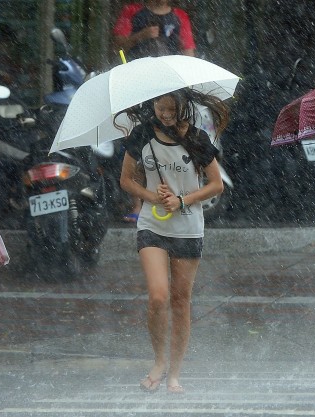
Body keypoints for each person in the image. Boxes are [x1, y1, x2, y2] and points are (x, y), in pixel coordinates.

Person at [116, 88, 229, 393]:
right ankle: (158, 361)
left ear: (182, 107)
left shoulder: (196, 138)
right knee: (158, 296)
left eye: (170, 109)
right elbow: (126, 180)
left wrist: (183, 200)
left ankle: (175, 372)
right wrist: (151, 196)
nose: (164, 115)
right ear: (152, 104)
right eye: (159, 108)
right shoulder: (141, 135)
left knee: (181, 301)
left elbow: (216, 185)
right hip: (152, 224)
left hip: (188, 225)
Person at [113, 0, 196, 222]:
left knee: (168, 145)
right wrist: (140, 37)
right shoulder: (132, 12)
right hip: (138, 87)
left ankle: (176, 199)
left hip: (169, 88)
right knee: (137, 144)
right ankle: (137, 204)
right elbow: (118, 45)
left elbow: (189, 52)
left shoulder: (179, 16)